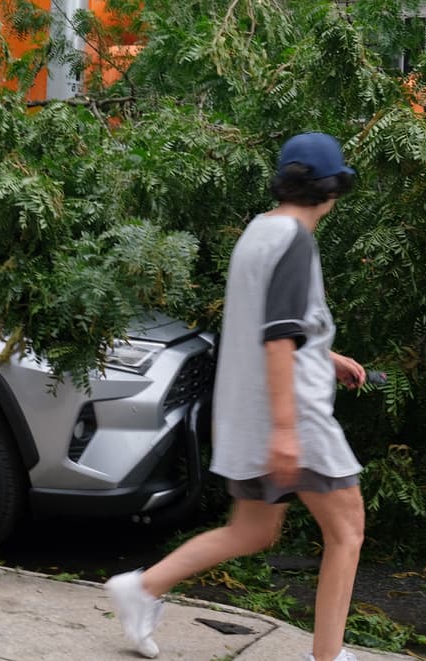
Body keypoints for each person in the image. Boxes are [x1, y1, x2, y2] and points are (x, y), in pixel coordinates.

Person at [105, 132, 367, 661]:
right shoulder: (296, 239)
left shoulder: (259, 230)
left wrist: (323, 354)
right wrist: (289, 433)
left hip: (246, 416)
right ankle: (330, 656)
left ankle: (141, 588)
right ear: (332, 190)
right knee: (348, 530)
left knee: (252, 530)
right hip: (293, 418)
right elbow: (276, 336)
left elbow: (271, 325)